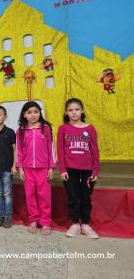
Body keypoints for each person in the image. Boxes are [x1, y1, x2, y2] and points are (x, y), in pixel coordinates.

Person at [57, 98, 100, 239]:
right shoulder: (63, 129)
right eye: (70, 110)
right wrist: (62, 169)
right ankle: (75, 223)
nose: (74, 112)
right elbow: (60, 151)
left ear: (82, 111)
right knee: (72, 197)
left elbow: (95, 151)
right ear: (66, 112)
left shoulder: (90, 128)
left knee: (86, 197)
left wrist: (95, 170)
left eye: (76, 109)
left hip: (87, 170)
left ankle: (86, 224)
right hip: (70, 169)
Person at [16, 101, 56, 235]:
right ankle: (33, 220)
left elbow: (51, 149)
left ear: (40, 113)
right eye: (29, 112)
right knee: (30, 195)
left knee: (44, 196)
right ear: (24, 115)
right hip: (27, 169)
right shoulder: (21, 131)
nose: (33, 115)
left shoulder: (46, 129)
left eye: (36, 112)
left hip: (43, 168)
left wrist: (51, 167)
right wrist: (20, 167)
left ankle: (45, 222)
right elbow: (19, 150)